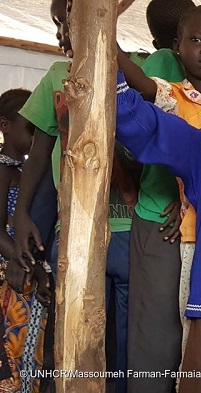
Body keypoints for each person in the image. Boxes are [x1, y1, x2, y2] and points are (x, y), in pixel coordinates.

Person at [14, 1, 140, 392]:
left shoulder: (139, 67)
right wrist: (21, 214)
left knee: (126, 342)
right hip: (73, 230)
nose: (62, 31)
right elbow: (38, 154)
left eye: (68, 19)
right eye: (58, 23)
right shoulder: (57, 75)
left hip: (133, 228)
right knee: (71, 333)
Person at [122, 2, 196, 392]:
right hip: (164, 221)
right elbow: (134, 132)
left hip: (178, 221)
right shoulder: (166, 65)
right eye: (195, 38)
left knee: (161, 335)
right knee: (162, 337)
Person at [0, 88, 51, 393]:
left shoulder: (29, 171)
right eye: (30, 127)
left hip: (26, 270)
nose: (36, 135)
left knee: (30, 349)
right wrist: (32, 267)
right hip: (10, 274)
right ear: (5, 126)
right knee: (11, 348)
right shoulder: (3, 169)